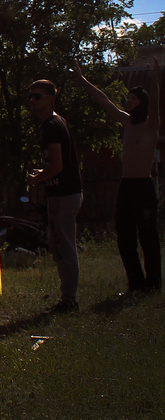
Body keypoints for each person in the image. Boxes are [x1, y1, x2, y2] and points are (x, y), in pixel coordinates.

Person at [73, 58, 162, 294]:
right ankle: (136, 283)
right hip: (126, 187)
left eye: (132, 99)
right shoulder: (126, 122)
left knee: (148, 237)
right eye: (127, 99)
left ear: (141, 103)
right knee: (125, 237)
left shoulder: (151, 125)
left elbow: (155, 106)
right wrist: (82, 78)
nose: (127, 101)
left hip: (144, 186)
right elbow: (104, 100)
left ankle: (153, 284)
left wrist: (154, 78)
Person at [26, 79, 84, 313]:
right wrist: (43, 174)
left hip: (65, 194)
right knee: (58, 246)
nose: (32, 100)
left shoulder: (52, 125)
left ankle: (69, 301)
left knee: (63, 247)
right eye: (30, 96)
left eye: (37, 96)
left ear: (51, 99)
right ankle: (67, 298)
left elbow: (58, 166)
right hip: (60, 193)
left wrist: (37, 178)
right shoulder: (52, 123)